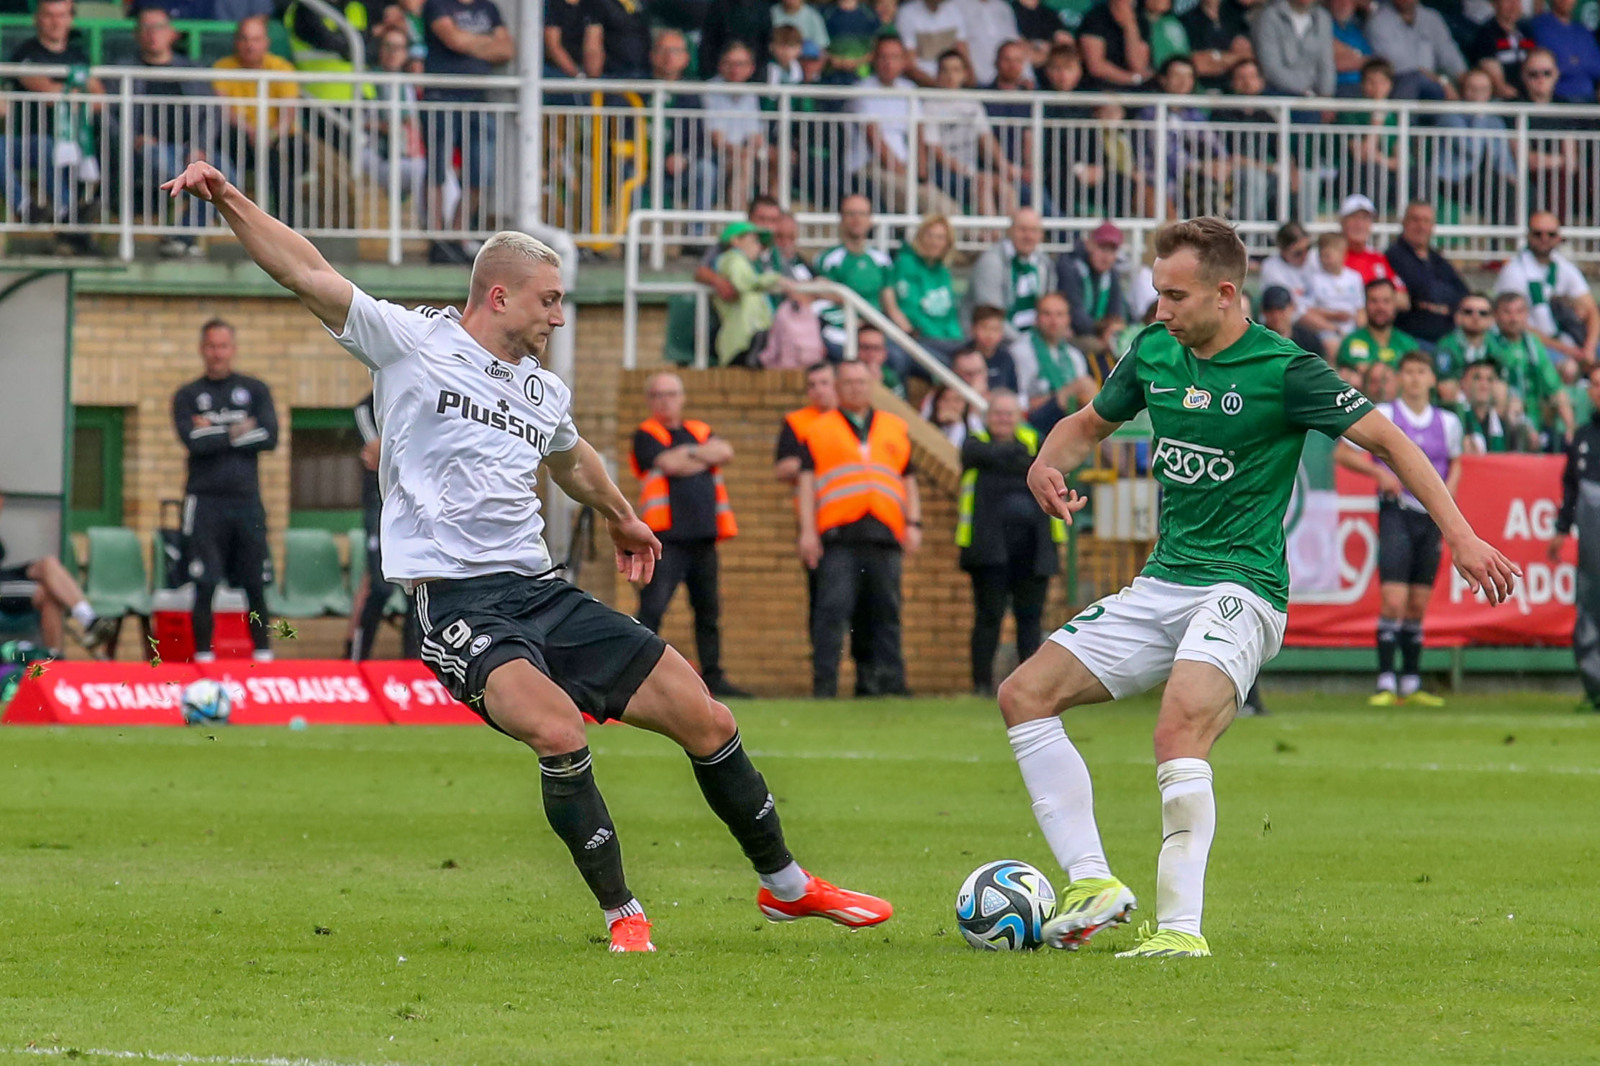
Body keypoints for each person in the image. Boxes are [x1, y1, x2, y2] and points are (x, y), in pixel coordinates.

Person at [164, 158, 892, 953]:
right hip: (460, 603)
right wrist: (229, 196)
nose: (560, 316)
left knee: (704, 713)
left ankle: (787, 887)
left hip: (542, 592)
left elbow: (572, 460)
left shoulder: (541, 389)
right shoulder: (410, 342)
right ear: (500, 294)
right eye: (551, 300)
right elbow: (306, 270)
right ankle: (625, 917)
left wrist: (621, 516)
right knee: (558, 732)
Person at [998, 216, 1517, 958]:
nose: (1161, 310)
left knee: (1178, 727)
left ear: (1225, 293)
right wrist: (1046, 462)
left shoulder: (1285, 371)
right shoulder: (1152, 352)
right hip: (1163, 581)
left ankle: (1179, 933)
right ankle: (1093, 885)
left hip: (1243, 585)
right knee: (1023, 696)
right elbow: (1086, 425)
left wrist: (1462, 536)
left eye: (1175, 296)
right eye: (1156, 293)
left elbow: (1391, 441)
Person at [1335, 351, 1463, 706]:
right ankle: (1385, 680)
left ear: (1432, 379)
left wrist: (1447, 493)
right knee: (1393, 599)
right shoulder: (1386, 415)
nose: (1415, 379)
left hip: (1430, 517)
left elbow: (1456, 463)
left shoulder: (1448, 422)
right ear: (1399, 377)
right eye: (1409, 372)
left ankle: (1411, 680)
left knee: (1418, 603)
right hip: (1396, 510)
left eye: (1422, 371)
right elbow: (1343, 453)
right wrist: (1378, 473)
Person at [797, 360, 922, 699]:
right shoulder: (819, 429)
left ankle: (886, 684)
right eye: (848, 382)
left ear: (872, 385)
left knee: (885, 612)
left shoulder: (894, 426)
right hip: (839, 537)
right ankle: (825, 687)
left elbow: (907, 479)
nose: (856, 387)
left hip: (885, 534)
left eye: (861, 381)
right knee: (832, 613)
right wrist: (807, 532)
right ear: (837, 387)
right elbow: (806, 485)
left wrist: (914, 522)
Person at [629, 374, 751, 700]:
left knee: (708, 612)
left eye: (671, 394)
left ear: (682, 398)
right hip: (666, 540)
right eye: (658, 395)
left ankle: (714, 678)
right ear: (650, 401)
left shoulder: (697, 428)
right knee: (653, 608)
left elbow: (725, 451)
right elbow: (669, 464)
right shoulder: (646, 435)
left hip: (704, 539)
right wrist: (701, 455)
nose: (665, 401)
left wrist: (690, 455)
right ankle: (635, 675)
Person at [171, 318, 278, 662]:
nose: (217, 353)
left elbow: (269, 436)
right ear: (203, 350)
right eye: (211, 346)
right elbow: (193, 441)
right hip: (204, 503)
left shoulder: (255, 389)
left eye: (223, 346)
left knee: (255, 584)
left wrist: (213, 429)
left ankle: (263, 658)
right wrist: (237, 430)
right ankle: (203, 660)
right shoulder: (187, 395)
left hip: (247, 502)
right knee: (205, 582)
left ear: (233, 349)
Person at [959, 390, 1063, 695]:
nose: (1003, 420)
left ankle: (1028, 687)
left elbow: (1048, 467)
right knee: (988, 618)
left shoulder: (1035, 440)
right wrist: (1019, 460)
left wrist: (1012, 460)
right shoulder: (974, 441)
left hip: (1033, 548)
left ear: (1019, 417)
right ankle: (980, 686)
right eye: (997, 414)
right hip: (988, 549)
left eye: (1009, 414)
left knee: (1029, 621)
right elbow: (979, 455)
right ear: (987, 416)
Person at [118, 5, 218, 259]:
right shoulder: (122, 70)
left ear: (172, 33)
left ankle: (180, 236)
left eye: (159, 27)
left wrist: (198, 145)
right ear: (137, 34)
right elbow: (108, 116)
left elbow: (212, 112)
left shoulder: (192, 71)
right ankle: (182, 238)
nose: (153, 34)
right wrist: (132, 139)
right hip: (147, 150)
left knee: (225, 173)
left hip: (190, 149)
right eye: (146, 28)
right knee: (177, 170)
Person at [7, 0, 106, 250]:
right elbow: (46, 91)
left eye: (61, 15)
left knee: (110, 144)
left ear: (70, 19)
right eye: (49, 15)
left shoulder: (78, 55)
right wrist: (77, 93)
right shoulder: (26, 53)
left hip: (76, 141)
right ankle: (49, 211)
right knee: (46, 146)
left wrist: (69, 95)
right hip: (28, 141)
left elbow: (99, 99)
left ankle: (73, 218)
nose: (55, 22)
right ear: (37, 19)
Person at [421, 0, 512, 265]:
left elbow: (507, 49)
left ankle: (457, 235)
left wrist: (469, 42)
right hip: (440, 96)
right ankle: (438, 239)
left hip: (478, 98)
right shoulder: (438, 5)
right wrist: (487, 43)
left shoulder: (489, 8)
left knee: (481, 172)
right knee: (437, 169)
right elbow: (453, 40)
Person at [213, 15, 305, 225]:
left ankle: (286, 224)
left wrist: (269, 135)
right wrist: (252, 131)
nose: (249, 45)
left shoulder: (282, 68)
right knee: (230, 143)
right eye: (244, 39)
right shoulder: (223, 67)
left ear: (266, 43)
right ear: (236, 42)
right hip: (240, 136)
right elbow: (225, 109)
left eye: (255, 39)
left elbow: (288, 112)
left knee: (283, 157)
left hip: (278, 137)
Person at [0, 496, 118, 659]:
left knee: (49, 564)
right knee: (46, 593)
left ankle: (89, 619)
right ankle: (54, 659)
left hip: (5, 575)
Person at [350, 389, 420, 661]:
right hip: (379, 505)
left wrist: (392, 449)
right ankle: (357, 660)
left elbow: (390, 453)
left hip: (413, 505)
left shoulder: (423, 395)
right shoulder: (367, 406)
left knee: (414, 592)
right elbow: (374, 454)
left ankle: (413, 666)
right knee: (380, 587)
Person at [1548, 366, 1600, 711]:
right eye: (1594, 384)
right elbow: (1570, 487)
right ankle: (1595, 686)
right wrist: (1561, 528)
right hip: (1593, 547)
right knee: (1590, 608)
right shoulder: (1582, 436)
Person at [1493, 213, 1600, 369]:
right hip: (1531, 343)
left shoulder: (1564, 267)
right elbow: (1516, 324)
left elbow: (1591, 310)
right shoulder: (1514, 271)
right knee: (1568, 368)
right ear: (1529, 236)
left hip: (1569, 339)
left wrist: (1589, 348)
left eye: (1551, 234)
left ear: (1559, 237)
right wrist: (1568, 350)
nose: (1545, 238)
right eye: (1538, 234)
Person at [814, 195, 896, 361]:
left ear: (870, 219)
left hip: (875, 332)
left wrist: (908, 333)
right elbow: (822, 299)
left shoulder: (882, 261)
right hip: (840, 330)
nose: (857, 219)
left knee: (900, 358)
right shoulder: (828, 259)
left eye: (862, 214)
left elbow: (890, 306)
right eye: (851, 214)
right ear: (842, 219)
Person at [1490, 291, 1574, 451]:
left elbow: (1555, 387)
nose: (1514, 318)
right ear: (1496, 315)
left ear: (1527, 314)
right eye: (1507, 312)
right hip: (1500, 423)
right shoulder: (1489, 342)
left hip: (1536, 423)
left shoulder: (1533, 344)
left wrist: (1570, 428)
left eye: (1519, 312)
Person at [883, 214, 966, 364]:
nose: (934, 242)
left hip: (948, 339)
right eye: (930, 236)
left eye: (940, 237)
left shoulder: (943, 271)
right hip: (922, 338)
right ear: (920, 238)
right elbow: (908, 309)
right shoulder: (905, 264)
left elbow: (949, 313)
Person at [1383, 202, 1467, 347]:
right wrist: (1442, 303)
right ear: (1404, 223)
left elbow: (1463, 293)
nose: (1421, 226)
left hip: (1446, 337)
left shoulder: (1437, 259)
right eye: (1415, 220)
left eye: (1426, 221)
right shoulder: (1394, 256)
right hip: (1412, 337)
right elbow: (1421, 289)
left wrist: (1440, 304)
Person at [711, 220, 791, 366]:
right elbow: (744, 282)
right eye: (754, 240)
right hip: (740, 343)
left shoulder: (744, 263)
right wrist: (776, 278)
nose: (759, 247)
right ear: (736, 241)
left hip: (748, 341)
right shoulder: (733, 258)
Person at [1015, 291, 1096, 422]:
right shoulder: (1021, 352)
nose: (1054, 321)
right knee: (1083, 385)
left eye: (1059, 315)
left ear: (1068, 319)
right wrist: (1060, 396)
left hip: (1068, 419)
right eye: (1047, 314)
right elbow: (1017, 401)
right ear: (1037, 318)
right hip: (1035, 419)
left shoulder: (1074, 355)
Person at [1364, 0, 1465, 100]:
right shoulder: (1379, 20)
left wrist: (1466, 78)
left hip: (1432, 86)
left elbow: (1448, 53)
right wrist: (1441, 81)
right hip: (1396, 82)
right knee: (1412, 80)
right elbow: (1401, 65)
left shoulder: (1431, 18)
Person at [1058, 221, 1129, 348]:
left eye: (1112, 250)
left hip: (1101, 334)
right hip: (1073, 335)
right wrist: (1104, 330)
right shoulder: (1069, 267)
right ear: (1089, 245)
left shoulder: (1112, 274)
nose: (1106, 256)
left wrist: (1113, 328)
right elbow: (1076, 317)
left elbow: (1118, 312)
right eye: (1102, 248)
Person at [1337, 279, 1422, 377]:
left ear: (1395, 304)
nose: (1380, 307)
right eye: (1374, 301)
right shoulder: (1351, 342)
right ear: (1365, 304)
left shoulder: (1409, 344)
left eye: (1386, 301)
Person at [1252, 0, 1336, 99]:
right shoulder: (1269, 17)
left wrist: (1326, 95)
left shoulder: (1323, 18)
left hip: (1313, 96)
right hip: (1277, 92)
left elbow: (1326, 62)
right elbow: (1271, 68)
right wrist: (1304, 89)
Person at [1524, 0, 1600, 102]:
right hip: (1557, 100)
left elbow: (1596, 68)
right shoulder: (1538, 27)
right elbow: (1538, 65)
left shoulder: (1583, 31)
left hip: (1590, 100)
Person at [1432, 292, 1497, 408]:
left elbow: (1501, 385)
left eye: (1483, 313)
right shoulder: (1446, 346)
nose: (1475, 317)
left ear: (1491, 320)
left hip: (1487, 407)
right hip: (1455, 411)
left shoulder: (1496, 346)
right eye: (1468, 312)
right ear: (1458, 317)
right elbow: (1446, 389)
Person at [1305, 232, 1366, 353]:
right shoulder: (1314, 279)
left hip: (1351, 329)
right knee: (1333, 347)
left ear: (1342, 254)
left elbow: (1360, 309)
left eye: (1328, 256)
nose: (1324, 260)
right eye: (1321, 256)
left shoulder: (1354, 278)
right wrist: (1333, 315)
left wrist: (1362, 331)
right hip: (1326, 329)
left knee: (1361, 350)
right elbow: (1309, 310)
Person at [1180, 0, 1253, 92]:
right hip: (1202, 88)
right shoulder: (1187, 20)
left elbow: (1248, 56)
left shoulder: (1237, 17)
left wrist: (1215, 58)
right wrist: (1233, 58)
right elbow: (1198, 64)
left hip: (1234, 90)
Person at [1078, 0, 1153, 89]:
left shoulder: (1140, 20)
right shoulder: (1095, 17)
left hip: (1134, 87)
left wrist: (1130, 27)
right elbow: (1095, 67)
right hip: (1099, 86)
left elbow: (1138, 65)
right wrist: (1132, 79)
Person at [895, 0, 971, 86]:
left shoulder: (955, 10)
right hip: (920, 86)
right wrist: (937, 86)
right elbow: (909, 65)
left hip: (951, 86)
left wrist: (970, 83)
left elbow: (963, 53)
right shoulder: (907, 13)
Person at [1468, 0, 1533, 100]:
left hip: (1529, 94)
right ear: (1495, 3)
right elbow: (1500, 87)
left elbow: (1534, 59)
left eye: (1517, 1)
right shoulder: (1486, 34)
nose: (1513, 5)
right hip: (1502, 100)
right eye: (1508, 1)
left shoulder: (1526, 31)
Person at [1458, 355, 1511, 453]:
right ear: (1463, 383)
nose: (1484, 385)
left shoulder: (1504, 425)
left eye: (1489, 379)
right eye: (1477, 378)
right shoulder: (1455, 419)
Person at [1260, 285, 1326, 357]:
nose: (1276, 315)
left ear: (1292, 307)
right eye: (1270, 310)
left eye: (1281, 308)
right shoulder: (1257, 341)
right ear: (1263, 311)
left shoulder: (1309, 340)